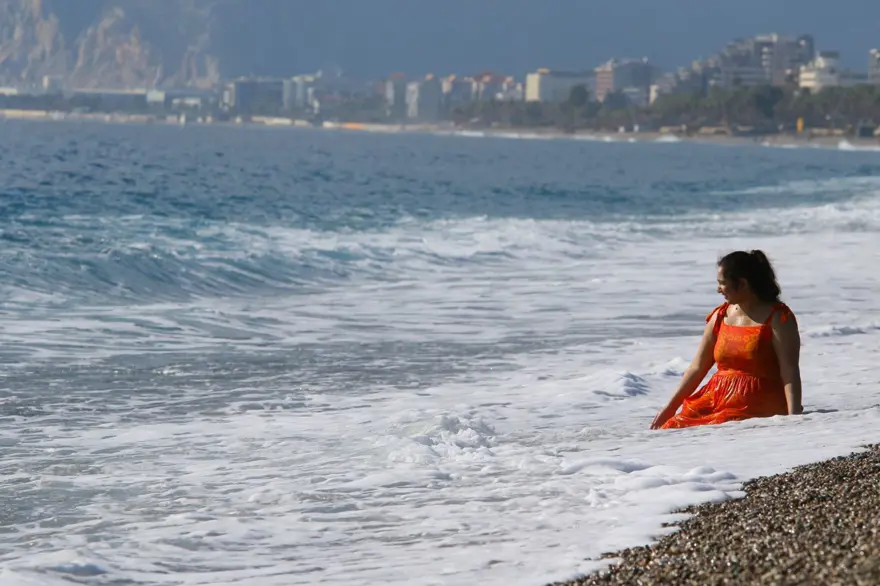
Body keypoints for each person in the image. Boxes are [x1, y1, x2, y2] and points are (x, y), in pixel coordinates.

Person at [651, 250, 803, 430]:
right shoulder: (720, 316)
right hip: (715, 399)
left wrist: (794, 417)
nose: (718, 289)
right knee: (672, 428)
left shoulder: (778, 318)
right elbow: (698, 367)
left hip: (757, 404)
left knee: (720, 431)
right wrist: (670, 408)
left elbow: (789, 369)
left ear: (743, 284)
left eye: (722, 283)